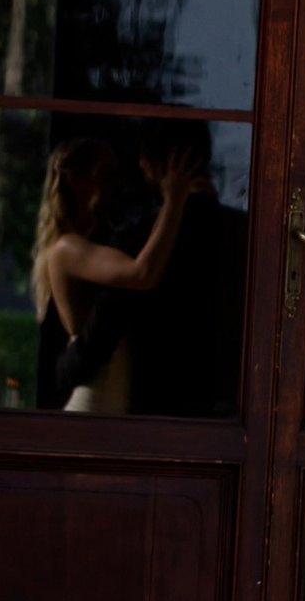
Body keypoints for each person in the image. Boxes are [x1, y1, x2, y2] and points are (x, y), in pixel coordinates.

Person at [30, 134, 196, 414]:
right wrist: (174, 202)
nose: (115, 184)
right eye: (104, 174)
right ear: (74, 181)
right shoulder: (67, 248)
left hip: (106, 401)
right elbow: (142, 273)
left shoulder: (88, 241)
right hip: (95, 405)